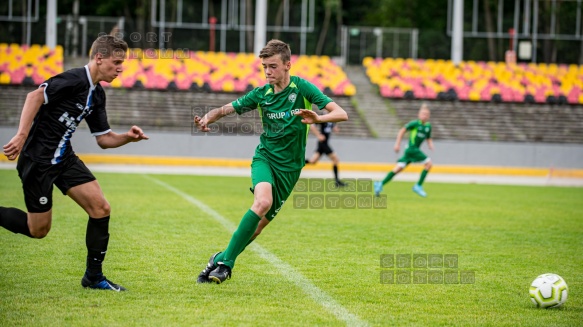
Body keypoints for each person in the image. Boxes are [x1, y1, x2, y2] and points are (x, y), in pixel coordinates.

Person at [0, 35, 149, 291]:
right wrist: (22, 135)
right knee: (38, 230)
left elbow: (103, 139)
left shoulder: (97, 94)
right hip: (38, 161)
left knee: (101, 208)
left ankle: (93, 277)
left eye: (122, 63)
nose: (120, 68)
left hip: (64, 158)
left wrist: (127, 138)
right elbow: (34, 97)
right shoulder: (74, 78)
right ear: (99, 58)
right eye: (116, 62)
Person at [194, 39, 348, 284]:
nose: (267, 72)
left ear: (288, 64)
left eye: (273, 66)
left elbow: (342, 113)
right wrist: (207, 119)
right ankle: (225, 265)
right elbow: (225, 109)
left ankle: (219, 258)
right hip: (265, 158)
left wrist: (317, 118)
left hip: (291, 169)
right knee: (263, 201)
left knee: (257, 228)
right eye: (264, 66)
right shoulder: (261, 94)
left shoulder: (303, 88)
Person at [374, 103, 433, 198]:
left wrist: (430, 144)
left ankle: (380, 183)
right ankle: (418, 185)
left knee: (398, 169)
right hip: (411, 149)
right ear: (419, 114)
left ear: (429, 116)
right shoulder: (415, 124)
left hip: (412, 151)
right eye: (423, 113)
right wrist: (397, 143)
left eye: (426, 114)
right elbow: (402, 130)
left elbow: (428, 137)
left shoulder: (428, 127)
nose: (424, 116)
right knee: (429, 164)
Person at [305, 122, 346, 187]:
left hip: (323, 144)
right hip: (323, 143)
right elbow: (312, 126)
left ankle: (297, 162)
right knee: (336, 160)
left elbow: (334, 128)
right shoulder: (324, 118)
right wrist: (318, 135)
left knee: (313, 161)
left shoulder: (332, 120)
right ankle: (337, 181)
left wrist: (336, 128)